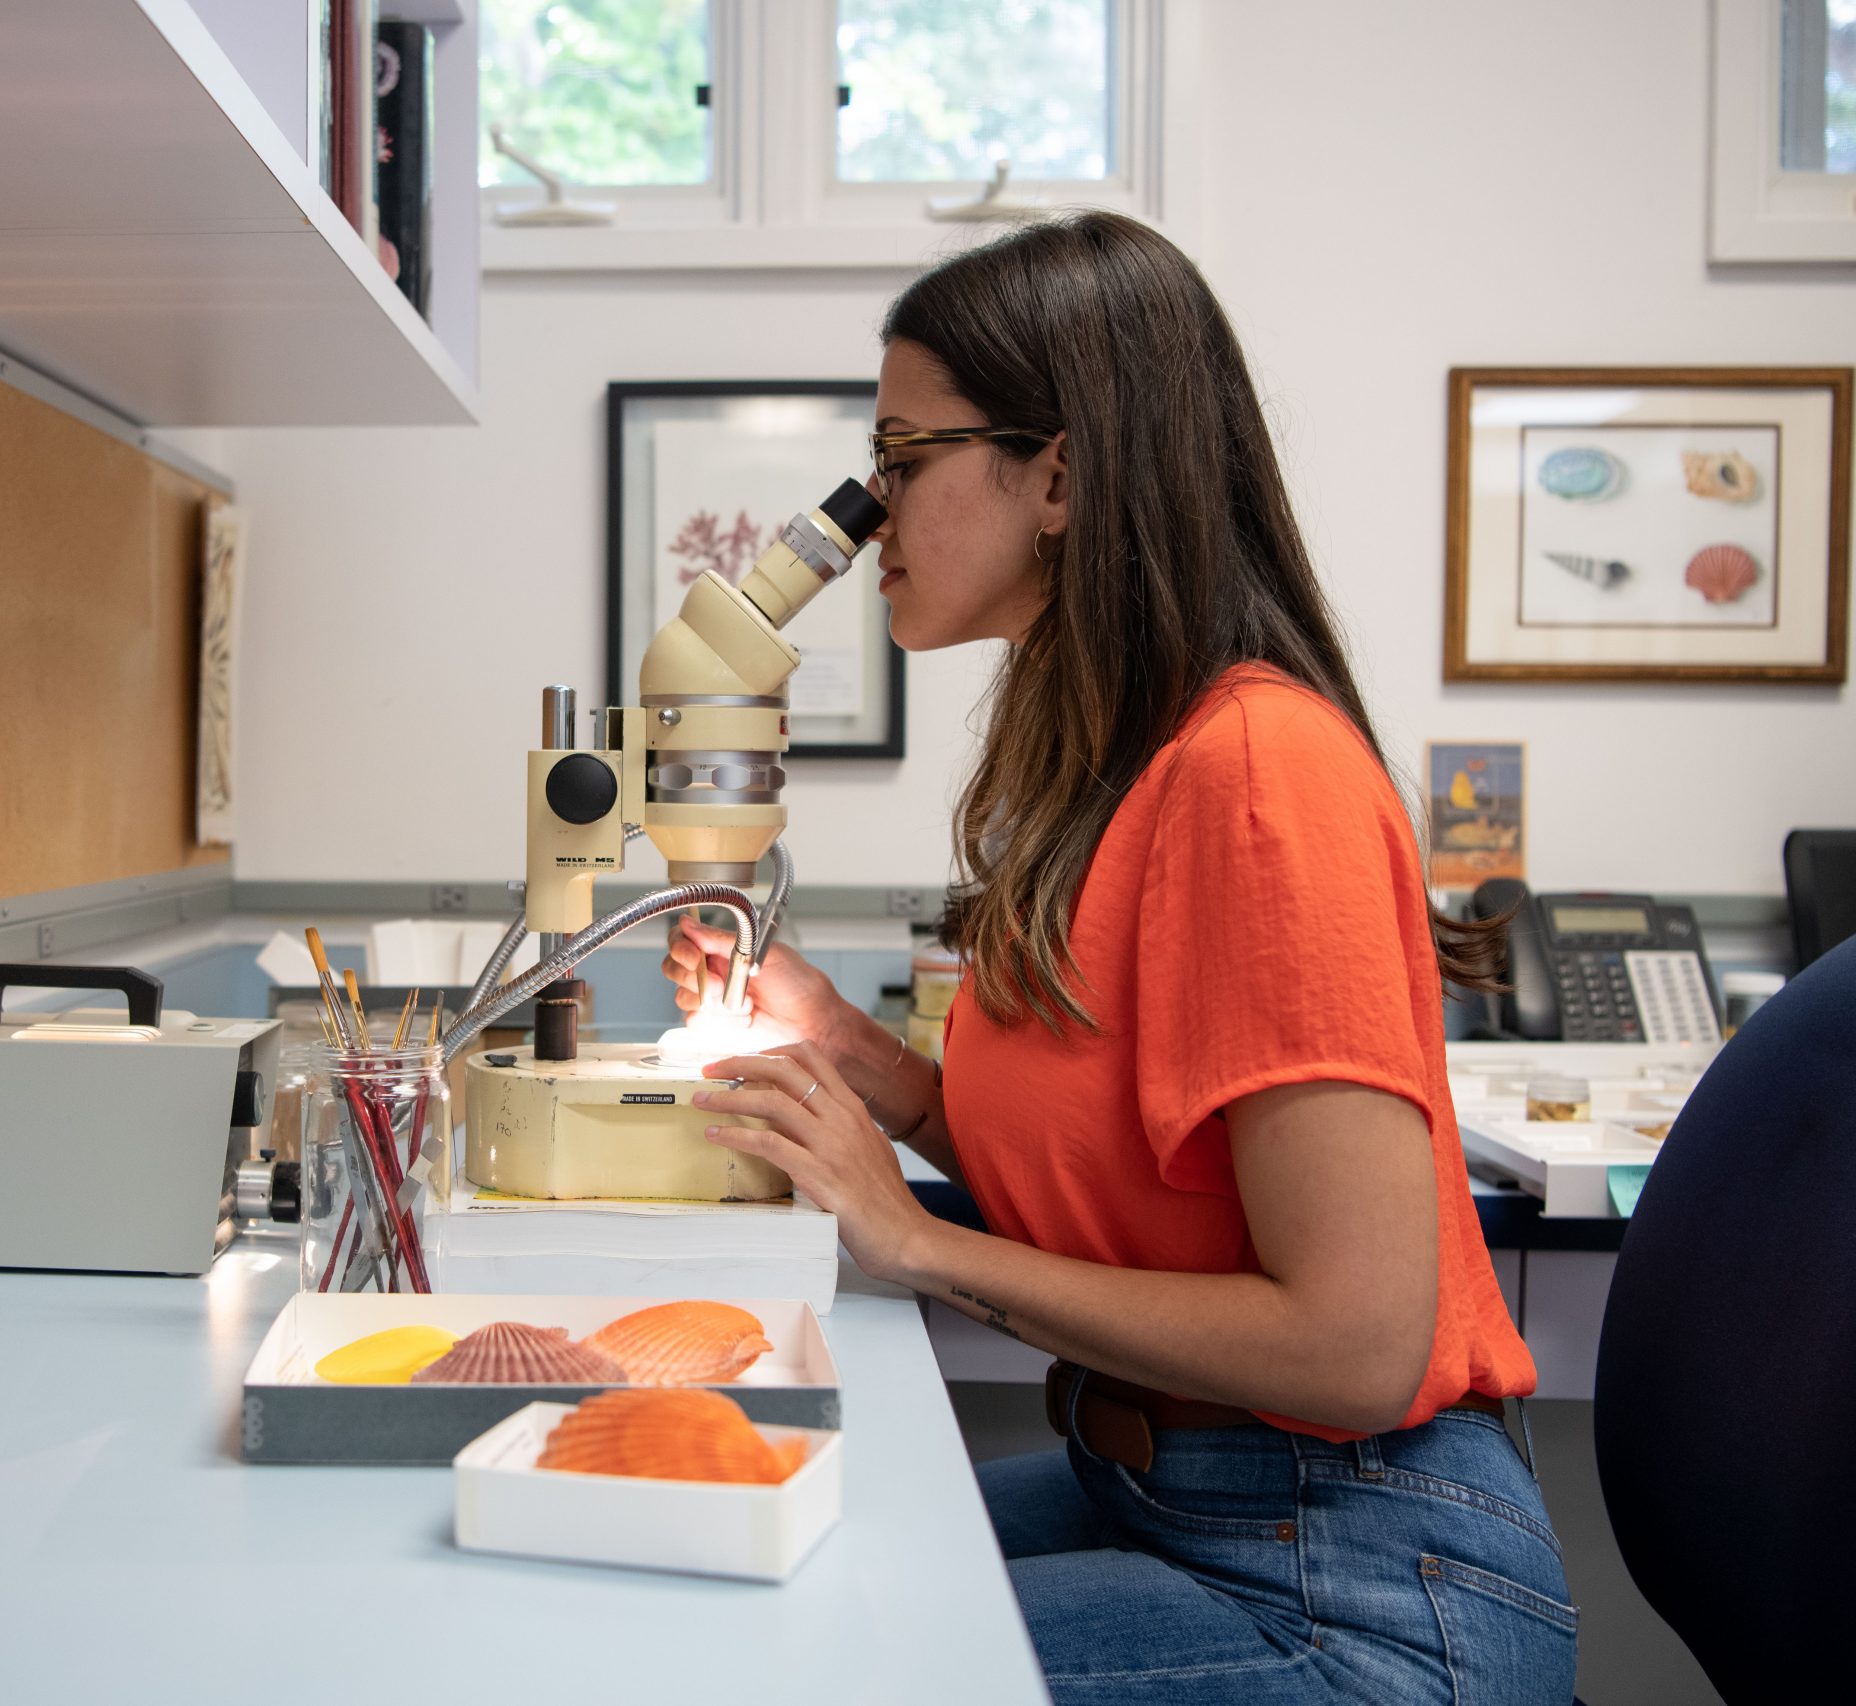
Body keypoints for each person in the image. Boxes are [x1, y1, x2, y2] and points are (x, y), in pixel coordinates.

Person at [663, 212, 1574, 1703]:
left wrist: (919, 1241)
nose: (869, 512)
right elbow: (1141, 1179)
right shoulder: (1123, 772)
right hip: (1163, 1490)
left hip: (1355, 1583)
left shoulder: (1257, 774)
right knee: (729, 1556)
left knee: (771, 1666)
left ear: (1062, 477)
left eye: (901, 462)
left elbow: (1353, 1343)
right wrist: (861, 1056)